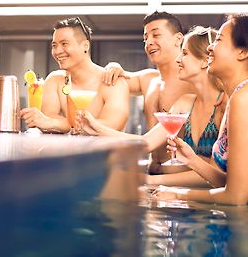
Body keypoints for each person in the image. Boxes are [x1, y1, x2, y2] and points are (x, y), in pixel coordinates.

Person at [81, 26, 227, 187]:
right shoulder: (185, 102)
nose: (178, 59)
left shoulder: (226, 104)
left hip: (212, 197)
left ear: (205, 61)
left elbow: (218, 174)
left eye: (185, 53)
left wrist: (150, 180)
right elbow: (146, 142)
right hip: (183, 193)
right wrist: (97, 129)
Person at [154, 14, 248, 205]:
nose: (210, 47)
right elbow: (231, 184)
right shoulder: (236, 98)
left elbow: (237, 197)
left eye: (219, 40)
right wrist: (192, 160)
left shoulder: (243, 98)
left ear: (242, 52)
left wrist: (179, 195)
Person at [103, 11, 194, 171]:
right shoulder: (148, 79)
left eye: (156, 35)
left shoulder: (193, 82)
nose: (149, 42)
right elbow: (116, 78)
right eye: (145, 39)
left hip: (182, 177)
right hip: (151, 172)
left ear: (178, 39)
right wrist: (113, 65)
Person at [20, 17, 129, 133]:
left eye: (64, 44)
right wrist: (55, 123)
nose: (57, 51)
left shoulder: (113, 83)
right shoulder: (54, 81)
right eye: (54, 45)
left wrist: (60, 124)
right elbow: (47, 120)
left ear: (85, 46)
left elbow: (112, 126)